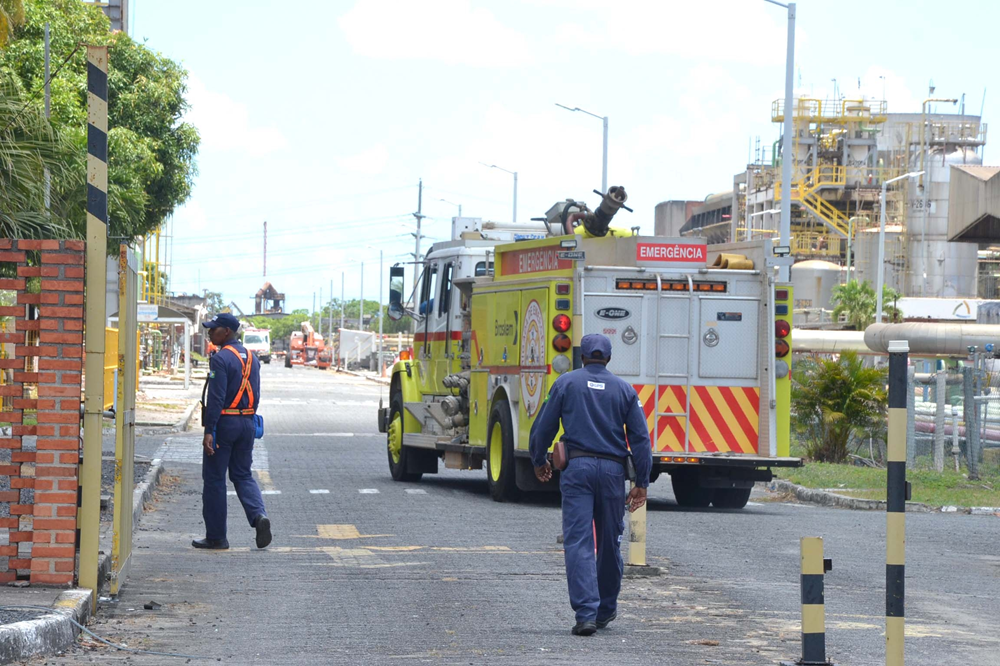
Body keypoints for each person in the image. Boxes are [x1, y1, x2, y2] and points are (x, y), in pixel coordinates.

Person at [529, 333, 652, 636]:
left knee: (579, 540)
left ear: (582, 357)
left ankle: (586, 614)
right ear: (608, 359)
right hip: (612, 473)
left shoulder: (565, 383)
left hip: (578, 469)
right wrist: (642, 482)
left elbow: (543, 426)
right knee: (609, 541)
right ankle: (605, 610)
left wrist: (539, 460)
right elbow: (640, 439)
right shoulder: (625, 390)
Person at [193, 312, 272, 550]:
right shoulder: (252, 357)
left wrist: (209, 430)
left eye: (213, 329)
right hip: (247, 423)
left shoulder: (221, 358)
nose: (209, 332)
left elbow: (216, 398)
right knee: (242, 475)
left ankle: (217, 537)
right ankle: (259, 516)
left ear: (226, 332)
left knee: (215, 479)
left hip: (225, 424)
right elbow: (255, 393)